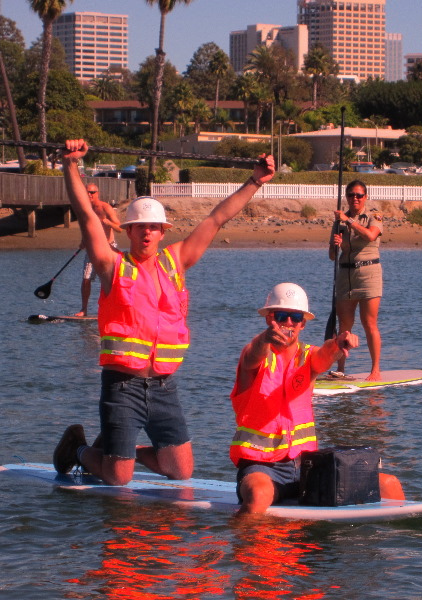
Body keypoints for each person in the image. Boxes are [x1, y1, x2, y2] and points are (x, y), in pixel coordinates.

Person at [53, 138, 275, 485]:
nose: (147, 232)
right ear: (128, 231)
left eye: (153, 227)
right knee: (119, 478)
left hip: (163, 388)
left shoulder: (176, 262)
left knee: (181, 470)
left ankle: (116, 448)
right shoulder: (112, 266)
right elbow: (85, 214)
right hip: (122, 386)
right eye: (140, 227)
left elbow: (216, 218)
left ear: (162, 232)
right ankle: (77, 450)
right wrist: (70, 165)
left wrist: (255, 181)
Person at [230, 282, 404, 515]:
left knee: (388, 484)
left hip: (306, 467)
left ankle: (400, 540)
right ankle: (240, 546)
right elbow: (253, 354)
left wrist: (338, 343)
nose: (288, 323)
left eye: (295, 317)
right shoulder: (256, 353)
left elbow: (323, 357)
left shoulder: (307, 356)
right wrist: (264, 340)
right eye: (281, 316)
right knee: (259, 495)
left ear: (303, 323)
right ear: (269, 319)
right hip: (262, 468)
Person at [328, 180, 383, 381]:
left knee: (369, 323)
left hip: (369, 274)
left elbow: (370, 236)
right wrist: (337, 245)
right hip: (346, 275)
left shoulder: (374, 217)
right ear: (347, 197)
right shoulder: (339, 222)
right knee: (344, 325)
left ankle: (375, 370)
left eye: (359, 195)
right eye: (351, 195)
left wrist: (349, 221)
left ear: (365, 197)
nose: (355, 199)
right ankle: (340, 368)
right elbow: (332, 256)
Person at [74, 184, 122, 317]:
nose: (89, 194)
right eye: (87, 192)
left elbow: (120, 228)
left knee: (109, 280)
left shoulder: (105, 207)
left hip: (109, 247)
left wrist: (108, 223)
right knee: (86, 279)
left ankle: (111, 308)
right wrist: (84, 240)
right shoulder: (86, 209)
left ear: (97, 193)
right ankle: (84, 309)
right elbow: (86, 227)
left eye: (92, 192)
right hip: (92, 247)